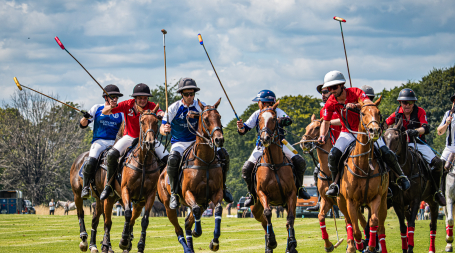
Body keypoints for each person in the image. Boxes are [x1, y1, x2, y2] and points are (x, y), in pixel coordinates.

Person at [318, 71, 410, 198]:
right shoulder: (330, 102)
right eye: (329, 88)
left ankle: (401, 177)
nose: (332, 91)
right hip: (347, 132)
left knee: (386, 152)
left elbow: (369, 105)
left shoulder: (356, 92)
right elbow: (326, 121)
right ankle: (335, 184)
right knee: (333, 155)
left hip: (366, 132)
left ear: (342, 85)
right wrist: (322, 135)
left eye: (334, 87)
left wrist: (356, 105)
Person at [159, 78, 233, 209]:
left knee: (224, 154)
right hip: (180, 143)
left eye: (192, 94)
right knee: (172, 160)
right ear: (182, 94)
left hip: (198, 141)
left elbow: (210, 117)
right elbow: (162, 127)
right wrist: (164, 130)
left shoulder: (200, 105)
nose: (190, 97)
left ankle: (224, 187)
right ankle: (175, 193)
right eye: (187, 94)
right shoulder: (174, 108)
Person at [237, 89, 311, 208]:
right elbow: (244, 129)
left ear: (265, 103)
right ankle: (251, 194)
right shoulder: (257, 114)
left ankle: (300, 188)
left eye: (259, 101)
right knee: (246, 168)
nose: (258, 104)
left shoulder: (277, 111)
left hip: (280, 144)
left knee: (299, 161)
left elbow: (288, 120)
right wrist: (240, 127)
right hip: (261, 146)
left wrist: (277, 120)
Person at [99, 83, 166, 201]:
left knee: (167, 158)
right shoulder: (126, 104)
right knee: (111, 154)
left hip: (148, 139)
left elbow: (160, 112)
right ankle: (109, 185)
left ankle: (161, 187)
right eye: (140, 98)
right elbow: (104, 112)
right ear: (135, 98)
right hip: (129, 137)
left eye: (145, 98)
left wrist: (161, 115)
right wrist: (111, 106)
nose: (142, 100)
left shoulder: (151, 106)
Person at [385, 88, 446, 206]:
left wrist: (415, 131)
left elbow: (426, 128)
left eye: (410, 102)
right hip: (401, 146)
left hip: (418, 143)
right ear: (400, 103)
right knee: (386, 162)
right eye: (404, 102)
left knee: (437, 163)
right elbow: (385, 123)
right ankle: (388, 191)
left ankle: (436, 191)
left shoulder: (420, 111)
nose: (407, 105)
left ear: (414, 103)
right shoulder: (397, 113)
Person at [79, 84, 124, 200]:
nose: (115, 99)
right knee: (91, 159)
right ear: (105, 98)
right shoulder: (97, 108)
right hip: (99, 141)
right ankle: (85, 187)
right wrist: (85, 118)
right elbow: (82, 125)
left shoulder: (121, 112)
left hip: (115, 142)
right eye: (112, 96)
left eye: (116, 97)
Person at [307, 80, 342, 212]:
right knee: (317, 171)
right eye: (322, 93)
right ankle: (321, 199)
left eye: (325, 92)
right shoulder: (323, 110)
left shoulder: (339, 106)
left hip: (342, 140)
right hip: (329, 143)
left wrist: (327, 122)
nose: (323, 94)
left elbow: (343, 121)